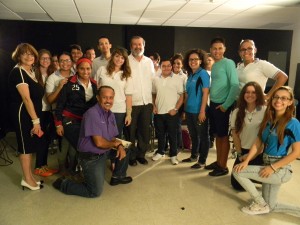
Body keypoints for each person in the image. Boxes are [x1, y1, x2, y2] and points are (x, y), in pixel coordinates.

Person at [52, 86, 132, 198]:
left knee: (126, 147)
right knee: (94, 192)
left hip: (104, 151)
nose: (108, 101)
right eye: (105, 97)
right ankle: (64, 184)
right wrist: (116, 144)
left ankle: (118, 177)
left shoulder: (110, 114)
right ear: (98, 98)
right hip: (92, 157)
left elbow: (113, 137)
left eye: (111, 98)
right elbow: (99, 143)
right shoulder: (92, 114)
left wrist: (120, 146)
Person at [233, 86, 300, 216]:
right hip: (266, 162)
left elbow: (297, 152)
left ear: (290, 102)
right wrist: (247, 160)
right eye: (276, 97)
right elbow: (258, 142)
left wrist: (272, 168)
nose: (278, 100)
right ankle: (266, 205)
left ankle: (259, 203)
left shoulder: (293, 123)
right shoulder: (269, 119)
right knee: (272, 206)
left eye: (284, 98)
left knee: (238, 172)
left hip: (280, 169)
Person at [8, 43, 44, 190]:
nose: (29, 56)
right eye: (24, 54)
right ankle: (27, 180)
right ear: (19, 56)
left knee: (29, 146)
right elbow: (26, 99)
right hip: (22, 114)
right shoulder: (19, 72)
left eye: (31, 54)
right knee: (25, 147)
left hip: (29, 114)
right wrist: (36, 122)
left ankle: (29, 176)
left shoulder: (30, 71)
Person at [54, 58, 98, 173]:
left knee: (75, 148)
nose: (85, 71)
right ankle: (63, 171)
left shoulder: (94, 84)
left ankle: (73, 170)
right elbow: (59, 105)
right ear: (77, 69)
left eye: (88, 68)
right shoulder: (68, 83)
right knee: (64, 148)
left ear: (91, 69)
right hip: (68, 120)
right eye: (82, 68)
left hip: (84, 122)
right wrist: (58, 124)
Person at [205, 37, 239, 176]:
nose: (217, 51)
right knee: (218, 135)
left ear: (224, 49)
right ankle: (219, 162)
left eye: (220, 48)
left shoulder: (228, 63)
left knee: (223, 136)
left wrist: (226, 105)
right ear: (210, 50)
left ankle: (223, 167)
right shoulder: (216, 65)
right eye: (214, 48)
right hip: (214, 104)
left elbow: (235, 85)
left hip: (222, 105)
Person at [230, 81, 266, 190]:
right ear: (243, 94)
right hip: (243, 151)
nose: (250, 95)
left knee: (261, 178)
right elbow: (235, 135)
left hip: (259, 152)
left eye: (253, 92)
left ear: (258, 94)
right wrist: (240, 154)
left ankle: (254, 177)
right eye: (247, 92)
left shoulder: (265, 111)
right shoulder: (237, 111)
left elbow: (264, 137)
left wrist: (253, 156)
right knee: (236, 185)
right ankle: (251, 176)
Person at [46, 52, 75, 174]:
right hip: (60, 115)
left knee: (73, 144)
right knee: (63, 145)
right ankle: (62, 170)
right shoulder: (52, 77)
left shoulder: (76, 74)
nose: (65, 63)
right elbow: (49, 100)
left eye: (67, 60)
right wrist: (59, 87)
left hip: (75, 115)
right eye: (61, 61)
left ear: (71, 62)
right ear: (58, 62)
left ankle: (73, 169)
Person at [128, 36, 155, 166]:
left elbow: (153, 80)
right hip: (131, 103)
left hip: (147, 102)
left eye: (140, 44)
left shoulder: (149, 61)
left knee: (144, 131)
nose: (137, 47)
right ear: (130, 46)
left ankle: (141, 154)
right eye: (135, 44)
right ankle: (131, 156)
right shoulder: (125, 61)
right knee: (131, 132)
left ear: (144, 46)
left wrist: (154, 102)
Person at [181, 49, 210, 169]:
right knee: (193, 135)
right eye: (191, 59)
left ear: (201, 60)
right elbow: (187, 94)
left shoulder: (203, 74)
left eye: (195, 59)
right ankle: (194, 156)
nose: (193, 61)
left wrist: (202, 111)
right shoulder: (190, 75)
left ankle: (202, 161)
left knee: (203, 136)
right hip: (189, 111)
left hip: (200, 111)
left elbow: (205, 93)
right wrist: (184, 110)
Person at [95, 47, 133, 138]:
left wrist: (128, 114)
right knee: (101, 134)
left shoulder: (126, 75)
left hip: (119, 110)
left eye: (122, 58)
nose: (119, 59)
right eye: (117, 56)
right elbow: (95, 88)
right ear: (112, 56)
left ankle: (114, 153)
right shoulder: (102, 70)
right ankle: (103, 152)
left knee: (116, 136)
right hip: (102, 109)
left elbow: (129, 96)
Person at [151, 59, 184, 165]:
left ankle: (173, 155)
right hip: (159, 112)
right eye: (163, 66)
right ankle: (160, 152)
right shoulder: (156, 79)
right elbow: (153, 94)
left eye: (168, 66)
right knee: (160, 134)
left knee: (173, 135)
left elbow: (182, 96)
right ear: (161, 67)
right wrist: (154, 106)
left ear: (171, 67)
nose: (166, 68)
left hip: (172, 113)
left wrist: (176, 109)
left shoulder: (177, 79)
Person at [34, 49, 57, 177]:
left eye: (48, 58)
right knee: (41, 139)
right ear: (38, 59)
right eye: (43, 58)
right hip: (39, 111)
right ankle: (38, 167)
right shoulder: (33, 74)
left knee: (47, 139)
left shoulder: (52, 74)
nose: (46, 60)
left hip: (49, 110)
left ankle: (44, 165)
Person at [171, 53, 187, 150]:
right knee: (170, 127)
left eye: (178, 63)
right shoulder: (169, 74)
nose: (176, 65)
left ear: (182, 65)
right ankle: (172, 146)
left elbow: (185, 94)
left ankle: (178, 146)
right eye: (174, 63)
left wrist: (184, 110)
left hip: (180, 105)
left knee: (177, 126)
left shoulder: (184, 77)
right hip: (169, 104)